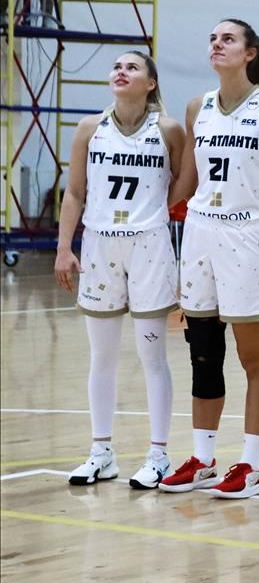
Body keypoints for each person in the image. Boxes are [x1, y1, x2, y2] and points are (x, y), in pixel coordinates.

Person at [159, 18, 259, 499]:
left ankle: (252, 464)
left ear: (250, 53)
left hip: (244, 234)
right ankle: (203, 459)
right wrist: (156, 215)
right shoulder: (197, 107)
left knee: (252, 356)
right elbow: (189, 177)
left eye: (228, 39)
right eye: (212, 39)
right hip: (200, 232)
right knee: (202, 353)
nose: (217, 44)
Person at [54, 52, 183, 488]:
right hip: (99, 245)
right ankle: (101, 453)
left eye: (132, 67)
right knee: (102, 356)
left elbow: (185, 181)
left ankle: (159, 455)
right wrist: (64, 248)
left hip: (149, 246)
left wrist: (155, 210)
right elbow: (75, 192)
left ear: (151, 83)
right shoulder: (90, 128)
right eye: (116, 67)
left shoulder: (168, 129)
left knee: (152, 356)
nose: (121, 72)